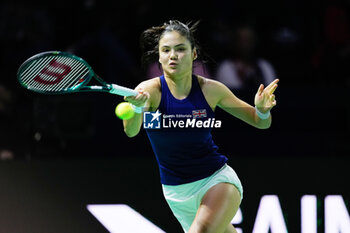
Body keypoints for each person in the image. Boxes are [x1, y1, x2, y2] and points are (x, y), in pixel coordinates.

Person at [122, 20, 279, 233]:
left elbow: (260, 122)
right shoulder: (149, 91)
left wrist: (262, 109)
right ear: (159, 56)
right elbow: (130, 131)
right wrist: (138, 109)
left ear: (194, 54)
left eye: (180, 49)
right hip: (176, 194)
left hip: (216, 181)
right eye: (166, 50)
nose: (173, 55)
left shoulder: (211, 90)